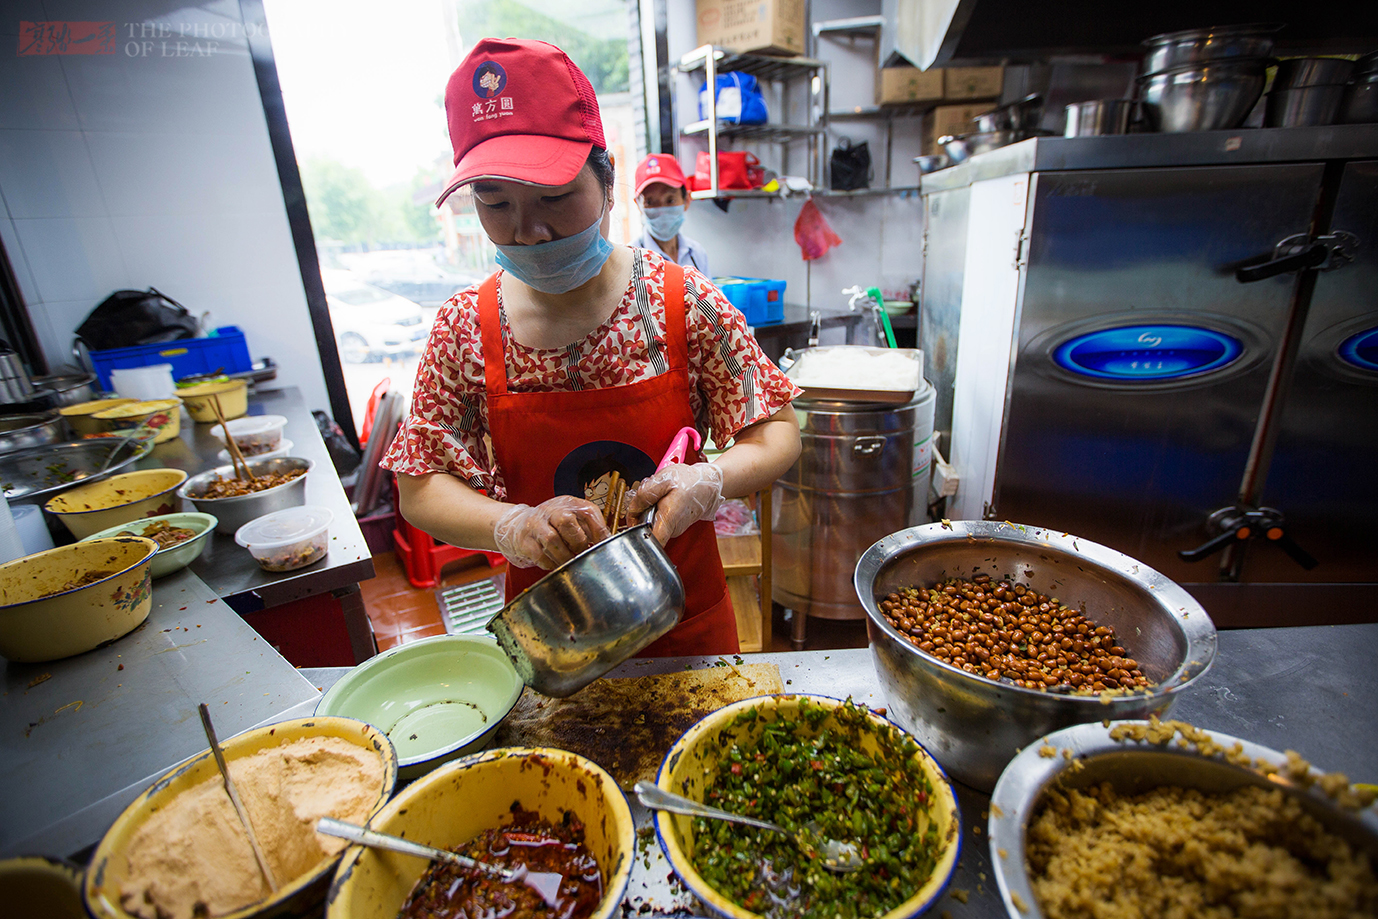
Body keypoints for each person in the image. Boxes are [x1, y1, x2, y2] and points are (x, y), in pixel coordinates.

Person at [382, 38, 802, 657]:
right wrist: (512, 524)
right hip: (554, 633)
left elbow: (777, 434)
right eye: (495, 202)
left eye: (553, 197)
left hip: (685, 623)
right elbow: (421, 488)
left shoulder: (682, 302)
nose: (529, 231)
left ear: (607, 182)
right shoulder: (463, 329)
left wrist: (711, 478)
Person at [632, 153, 708, 275]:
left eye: (670, 200)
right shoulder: (631, 261)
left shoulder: (696, 254)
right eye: (650, 202)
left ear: (687, 200)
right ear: (638, 205)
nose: (661, 209)